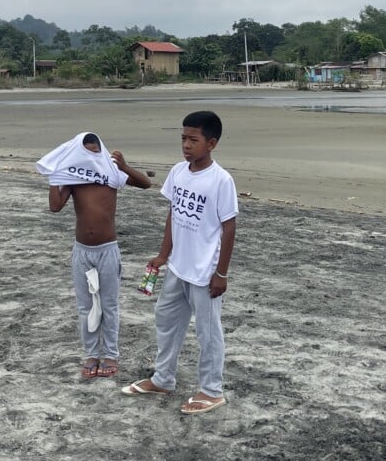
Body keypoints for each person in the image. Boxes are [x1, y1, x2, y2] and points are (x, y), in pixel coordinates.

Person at [121, 110, 238, 414]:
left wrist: (221, 273)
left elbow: (229, 228)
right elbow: (174, 214)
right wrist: (163, 254)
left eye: (193, 139)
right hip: (178, 267)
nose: (186, 145)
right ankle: (163, 379)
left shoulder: (221, 180)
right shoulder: (178, 172)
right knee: (166, 320)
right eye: (183, 138)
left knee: (208, 332)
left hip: (204, 272)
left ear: (211, 143)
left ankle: (212, 391)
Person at [36, 132, 151, 379]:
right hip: (82, 251)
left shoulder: (110, 172)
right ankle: (91, 354)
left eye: (94, 152)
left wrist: (125, 167)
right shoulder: (74, 175)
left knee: (109, 305)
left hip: (107, 249)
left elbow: (146, 184)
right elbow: (55, 207)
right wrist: (56, 175)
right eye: (85, 152)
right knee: (85, 307)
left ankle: (110, 354)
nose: (91, 157)